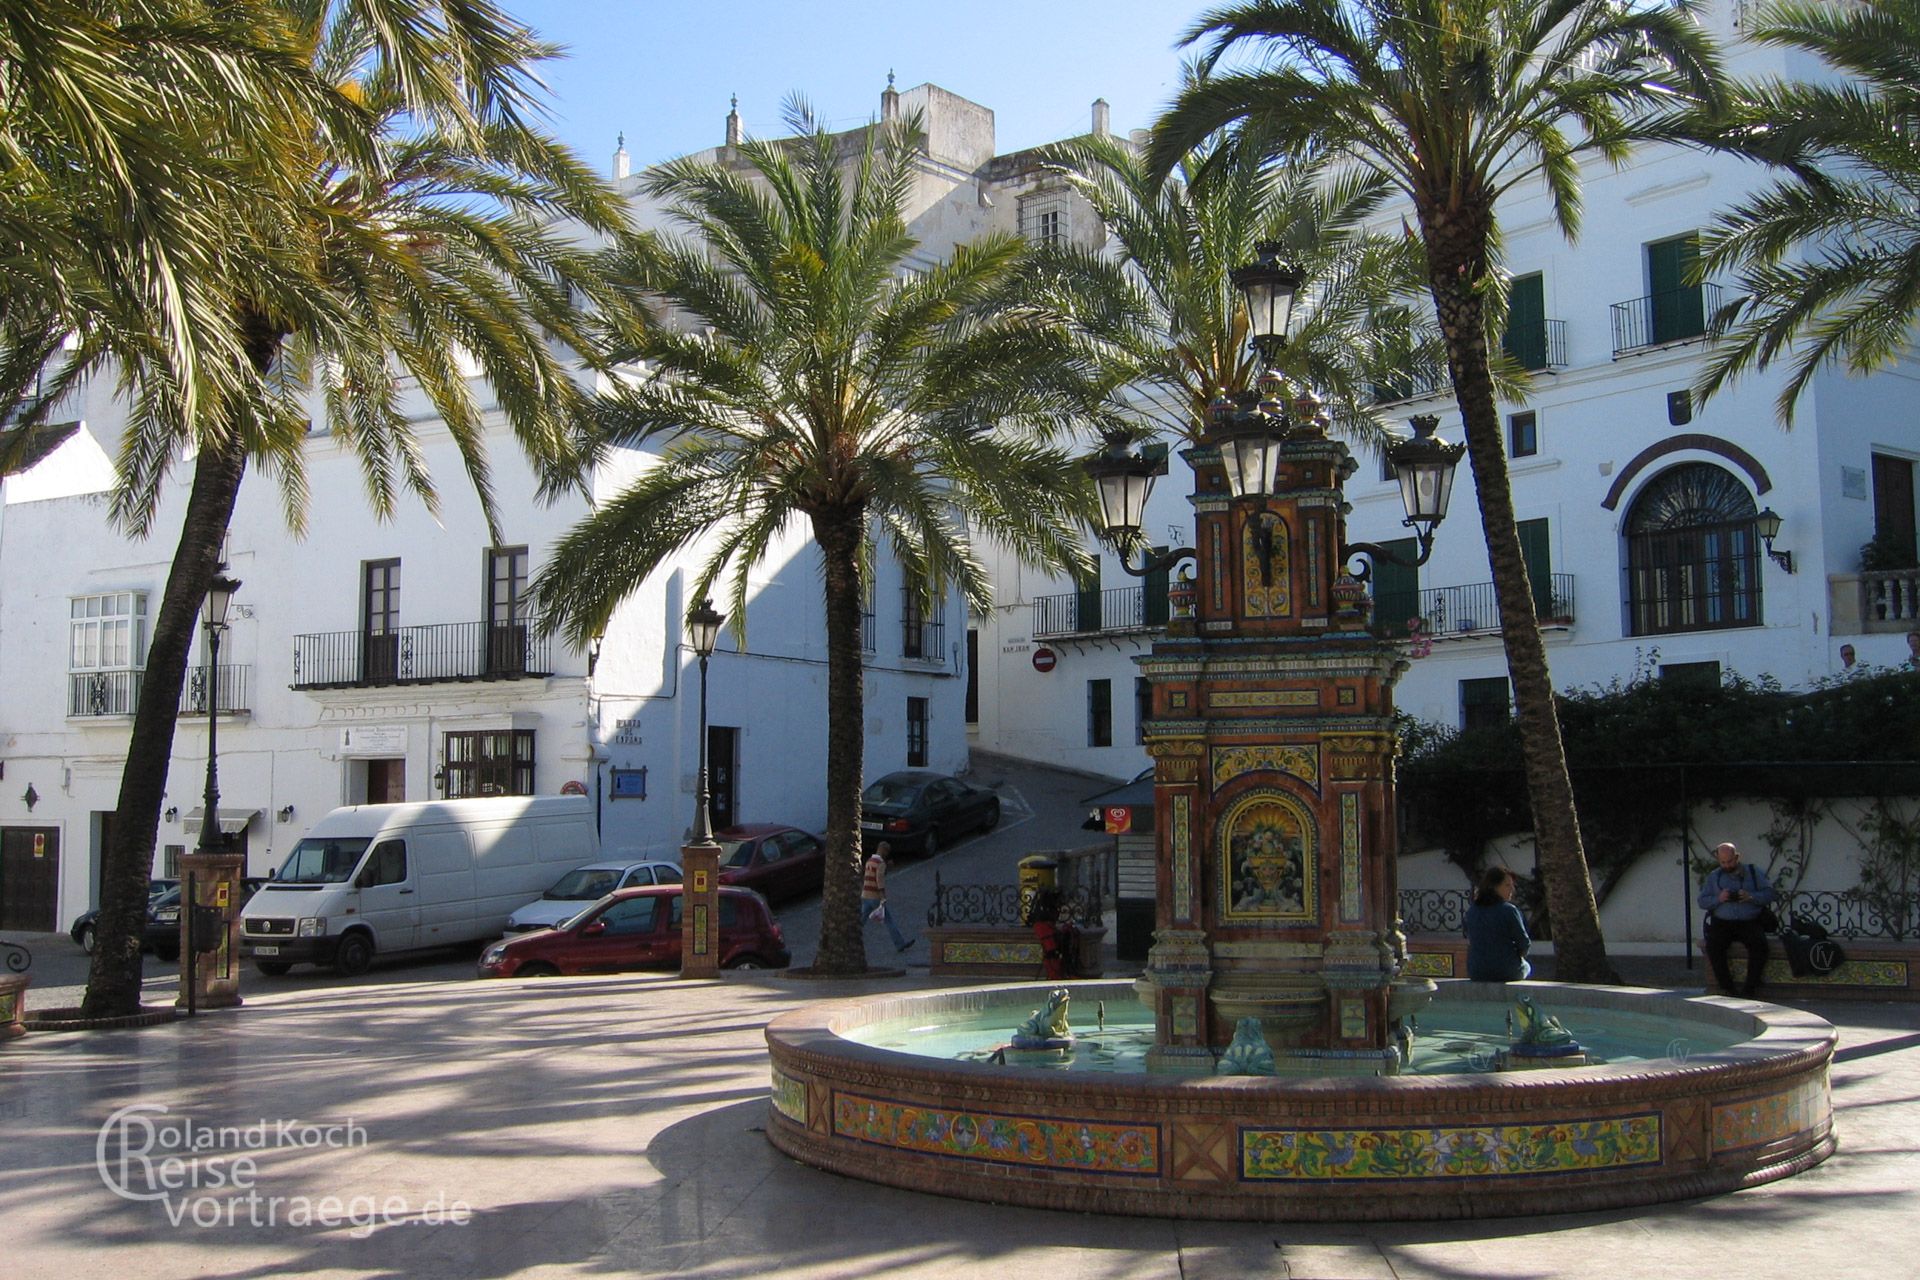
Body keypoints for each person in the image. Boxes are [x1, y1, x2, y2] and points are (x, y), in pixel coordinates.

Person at [1698, 841, 1777, 997]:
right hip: (1723, 922)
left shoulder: (1753, 872)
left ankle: (1750, 988)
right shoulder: (1714, 877)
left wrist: (1751, 896)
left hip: (1748, 921)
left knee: (1760, 947)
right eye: (1723, 862)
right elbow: (1702, 901)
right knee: (1713, 947)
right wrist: (1719, 898)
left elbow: (1770, 894)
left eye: (1730, 861)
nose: (1727, 865)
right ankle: (1727, 988)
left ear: (1737, 857)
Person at [1463, 866, 1532, 981]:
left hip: (1476, 972)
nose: (1512, 889)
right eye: (1507, 885)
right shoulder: (1509, 910)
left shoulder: (1472, 911)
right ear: (1494, 887)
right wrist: (1516, 955)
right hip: (1506, 972)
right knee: (1527, 967)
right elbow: (1524, 944)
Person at [861, 841, 915, 954]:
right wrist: (883, 896)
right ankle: (899, 943)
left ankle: (850, 941)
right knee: (889, 921)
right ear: (884, 851)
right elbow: (879, 880)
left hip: (865, 894)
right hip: (875, 897)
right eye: (887, 851)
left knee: (861, 920)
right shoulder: (881, 863)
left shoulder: (869, 861)